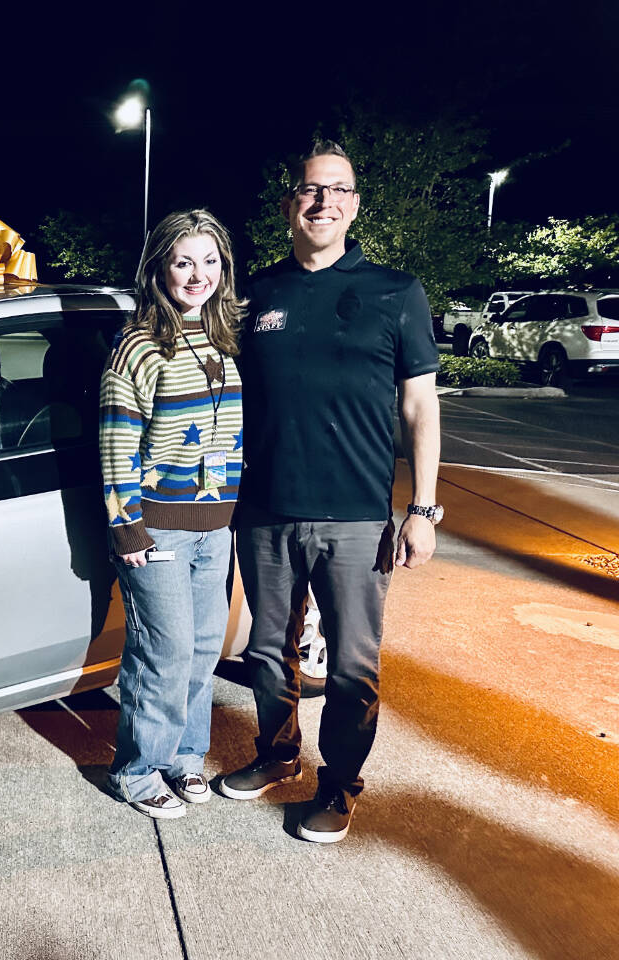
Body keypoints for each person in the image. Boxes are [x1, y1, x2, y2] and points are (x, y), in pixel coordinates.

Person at [222, 140, 441, 842]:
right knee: (266, 654)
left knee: (351, 667)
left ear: (353, 205)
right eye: (311, 190)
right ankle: (277, 756)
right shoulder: (257, 294)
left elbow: (420, 410)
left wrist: (423, 509)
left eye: (338, 191)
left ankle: (340, 785)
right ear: (290, 203)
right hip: (265, 512)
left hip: (355, 517)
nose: (323, 202)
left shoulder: (395, 292)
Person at [100, 209, 247, 818]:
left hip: (216, 528)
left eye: (210, 261)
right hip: (157, 527)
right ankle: (137, 771)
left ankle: (185, 758)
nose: (198, 274)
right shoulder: (138, 344)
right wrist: (126, 524)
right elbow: (116, 439)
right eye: (184, 261)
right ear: (159, 266)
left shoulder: (221, 338)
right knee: (163, 651)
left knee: (204, 648)